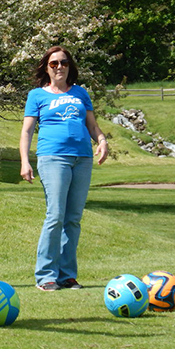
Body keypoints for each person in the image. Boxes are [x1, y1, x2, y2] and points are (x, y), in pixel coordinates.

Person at [19, 46, 108, 292]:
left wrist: (101, 140)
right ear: (46, 68)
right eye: (54, 63)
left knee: (73, 219)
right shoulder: (37, 95)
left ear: (70, 66)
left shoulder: (80, 93)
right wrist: (25, 161)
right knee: (55, 215)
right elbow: (26, 131)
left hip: (82, 158)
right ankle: (46, 276)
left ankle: (67, 276)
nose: (59, 67)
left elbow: (92, 126)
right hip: (53, 158)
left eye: (64, 62)